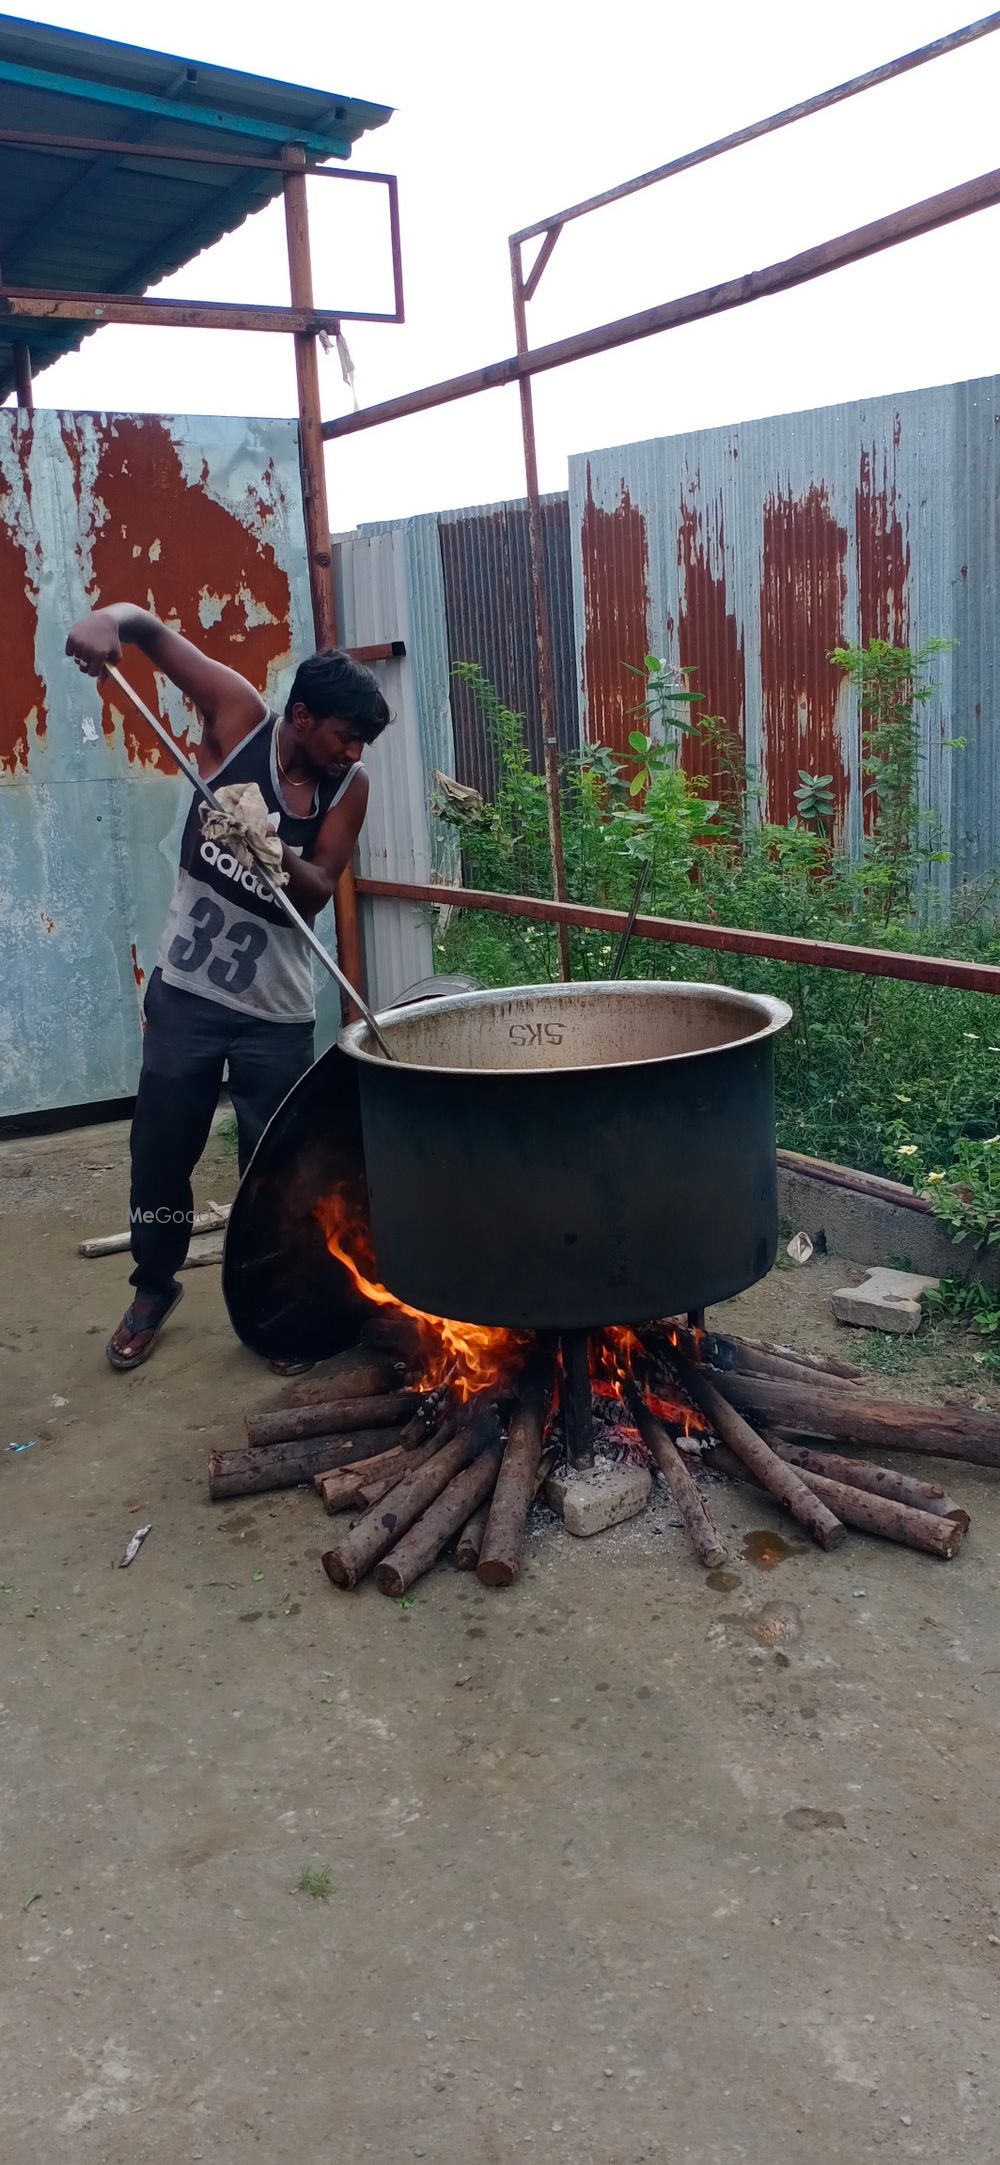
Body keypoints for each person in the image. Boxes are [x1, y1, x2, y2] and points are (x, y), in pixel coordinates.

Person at [65, 604, 390, 1373]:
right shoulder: (239, 719)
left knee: (279, 1162)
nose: (354, 750)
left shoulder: (349, 789)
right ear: (303, 716)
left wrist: (269, 845)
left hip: (272, 1013)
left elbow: (315, 889)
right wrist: (104, 624)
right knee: (160, 1150)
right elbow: (142, 629)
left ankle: (279, 1299)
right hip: (188, 992)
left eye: (362, 741)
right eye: (346, 734)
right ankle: (153, 1286)